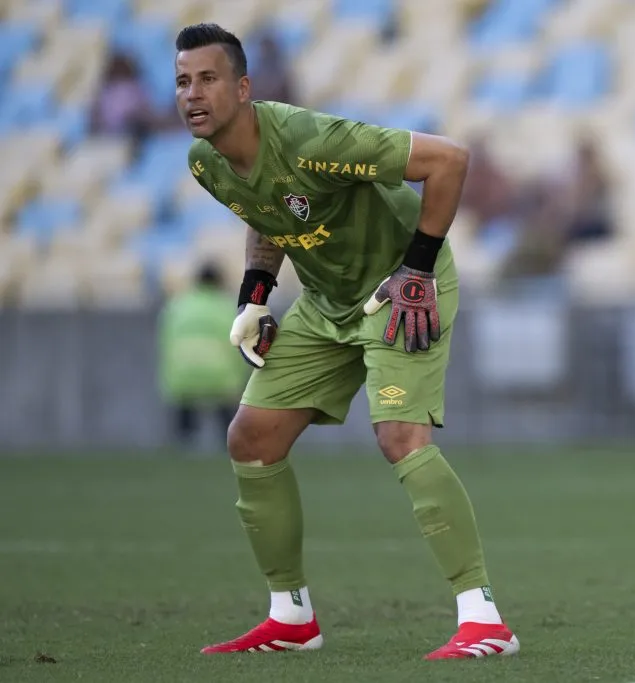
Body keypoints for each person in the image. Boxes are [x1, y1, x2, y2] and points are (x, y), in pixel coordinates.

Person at [173, 23, 519, 659]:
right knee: (252, 437)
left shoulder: (310, 140)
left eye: (208, 79)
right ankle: (291, 618)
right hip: (327, 299)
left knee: (400, 436)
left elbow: (449, 160)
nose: (192, 94)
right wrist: (255, 294)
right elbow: (267, 213)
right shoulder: (206, 162)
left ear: (244, 88)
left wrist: (416, 270)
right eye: (182, 82)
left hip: (400, 286)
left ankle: (484, 619)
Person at [157, 261, 248, 447]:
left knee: (185, 419)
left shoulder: (178, 306)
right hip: (220, 376)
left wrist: (169, 377)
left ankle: (184, 443)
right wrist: (240, 379)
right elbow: (239, 344)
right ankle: (228, 443)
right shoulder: (227, 307)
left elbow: (166, 342)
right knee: (226, 417)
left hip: (183, 374)